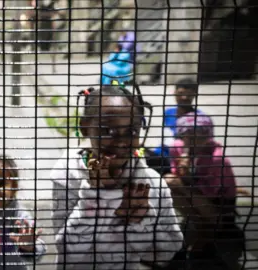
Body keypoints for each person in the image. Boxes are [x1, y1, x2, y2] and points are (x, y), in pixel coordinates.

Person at [51, 85, 183, 269]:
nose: (121, 141)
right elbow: (66, 250)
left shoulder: (151, 182)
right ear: (85, 127)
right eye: (108, 131)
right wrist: (94, 195)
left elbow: (166, 253)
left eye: (132, 132)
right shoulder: (67, 175)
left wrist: (141, 221)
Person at [163, 112, 244, 270]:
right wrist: (183, 173)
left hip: (218, 204)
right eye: (189, 137)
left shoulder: (217, 159)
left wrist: (185, 183)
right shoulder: (176, 149)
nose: (194, 142)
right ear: (182, 135)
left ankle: (211, 227)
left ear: (208, 136)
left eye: (200, 137)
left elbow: (211, 193)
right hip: (196, 196)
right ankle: (202, 228)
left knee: (174, 184)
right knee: (167, 182)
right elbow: (175, 176)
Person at [146, 78, 201, 176]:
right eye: (181, 93)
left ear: (195, 95)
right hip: (160, 155)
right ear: (174, 92)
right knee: (139, 153)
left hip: (178, 162)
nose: (184, 97)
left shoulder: (200, 119)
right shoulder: (168, 112)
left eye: (189, 94)